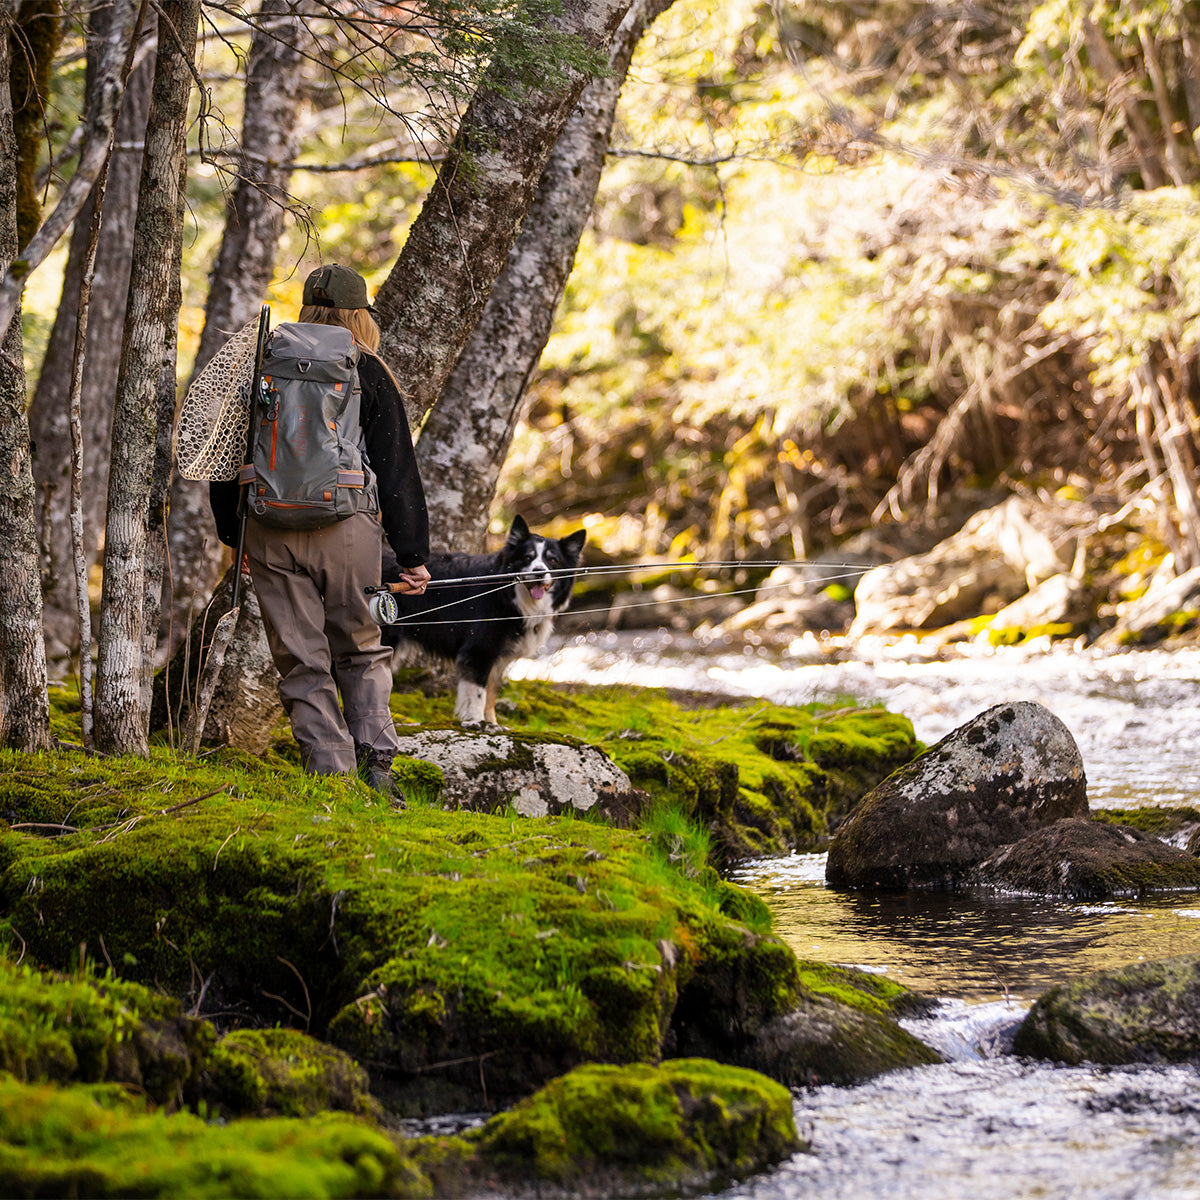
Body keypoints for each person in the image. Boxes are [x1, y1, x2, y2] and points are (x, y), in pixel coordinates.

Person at [209, 264, 430, 800]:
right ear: (360, 316)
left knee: (300, 660)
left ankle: (330, 776)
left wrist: (235, 536)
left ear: (307, 305)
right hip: (346, 529)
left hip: (267, 527)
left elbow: (223, 455)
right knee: (360, 648)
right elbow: (396, 465)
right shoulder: (367, 368)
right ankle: (377, 766)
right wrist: (412, 554)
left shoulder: (262, 361)